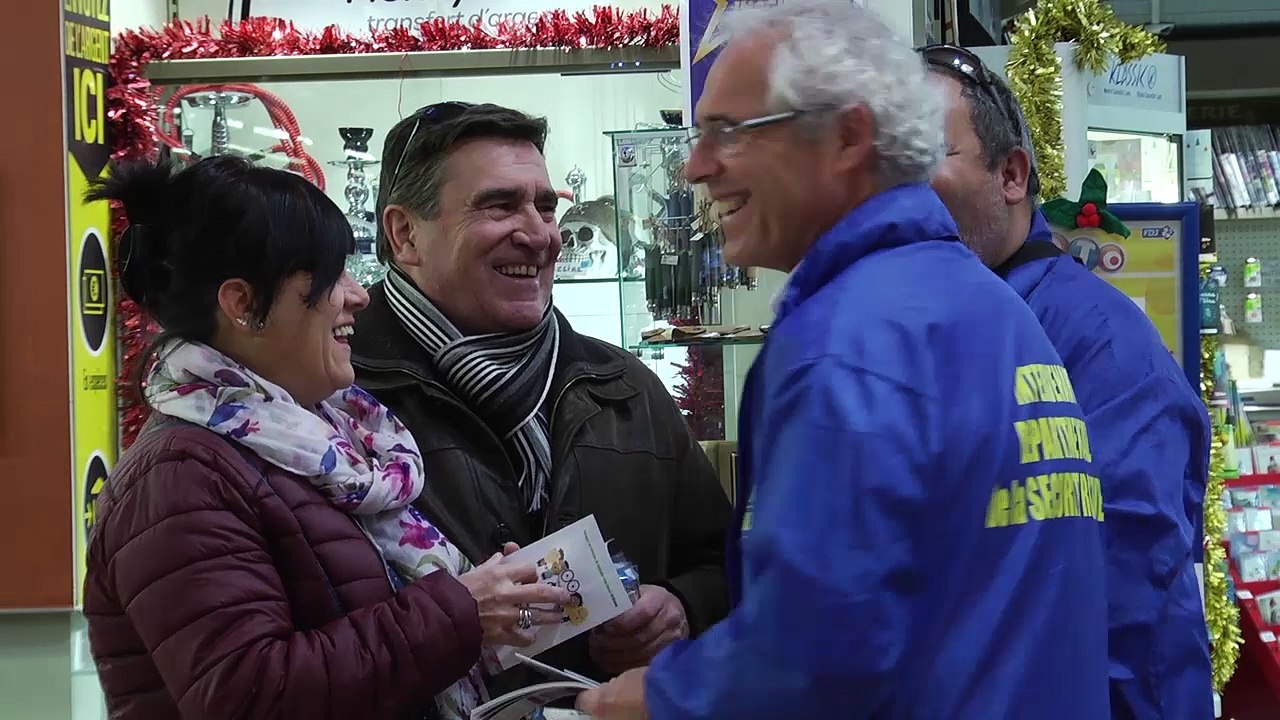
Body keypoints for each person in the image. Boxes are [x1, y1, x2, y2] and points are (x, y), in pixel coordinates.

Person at [578, 1, 1112, 718]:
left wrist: (656, 701)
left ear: (848, 135)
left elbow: (812, 661)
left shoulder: (848, 343)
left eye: (727, 132)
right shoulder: (993, 309)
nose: (697, 167)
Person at [82, 153, 571, 720]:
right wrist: (459, 611)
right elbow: (251, 696)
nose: (358, 294)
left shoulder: (324, 444)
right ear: (244, 305)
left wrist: (488, 600)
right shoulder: (179, 476)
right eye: (331, 274)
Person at [349, 101, 732, 686]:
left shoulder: (626, 390)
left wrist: (681, 607)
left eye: (545, 206)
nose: (540, 235)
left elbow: (723, 562)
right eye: (500, 205)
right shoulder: (332, 396)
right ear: (405, 234)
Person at [923, 43, 1213, 719]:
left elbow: (1126, 599)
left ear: (1012, 175)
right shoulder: (933, 328)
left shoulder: (1101, 346)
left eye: (924, 154)